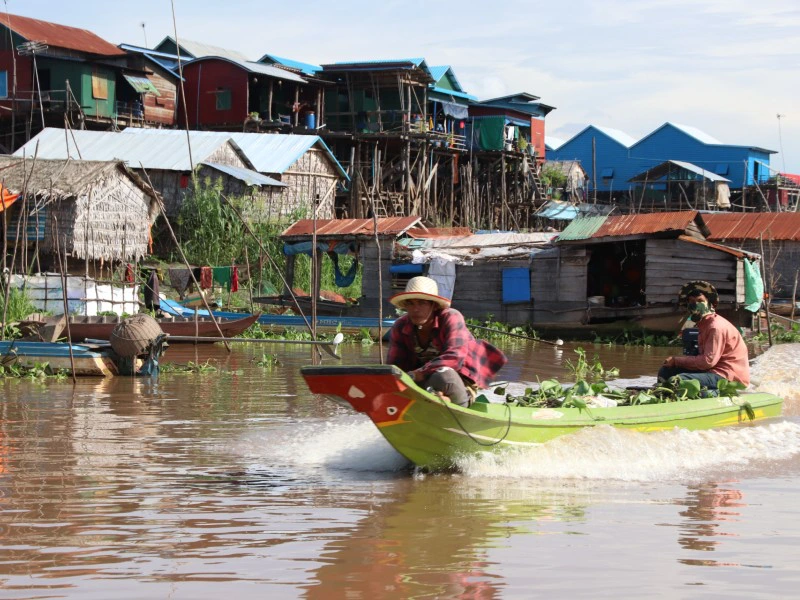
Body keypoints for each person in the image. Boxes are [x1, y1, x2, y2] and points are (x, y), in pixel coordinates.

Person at [386, 276, 507, 406]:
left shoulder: (450, 317)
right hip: (422, 381)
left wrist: (418, 374)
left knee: (444, 374)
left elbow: (455, 357)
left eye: (422, 303)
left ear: (434, 306)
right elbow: (395, 366)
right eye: (411, 303)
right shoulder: (401, 326)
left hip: (458, 379)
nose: (415, 309)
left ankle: (460, 404)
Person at [658, 281, 750, 389]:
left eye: (700, 301)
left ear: (710, 304)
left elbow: (708, 362)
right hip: (712, 371)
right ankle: (663, 394)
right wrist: (675, 363)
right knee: (666, 371)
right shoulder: (703, 325)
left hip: (728, 377)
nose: (695, 305)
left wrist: (676, 360)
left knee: (679, 380)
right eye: (692, 301)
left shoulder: (715, 327)